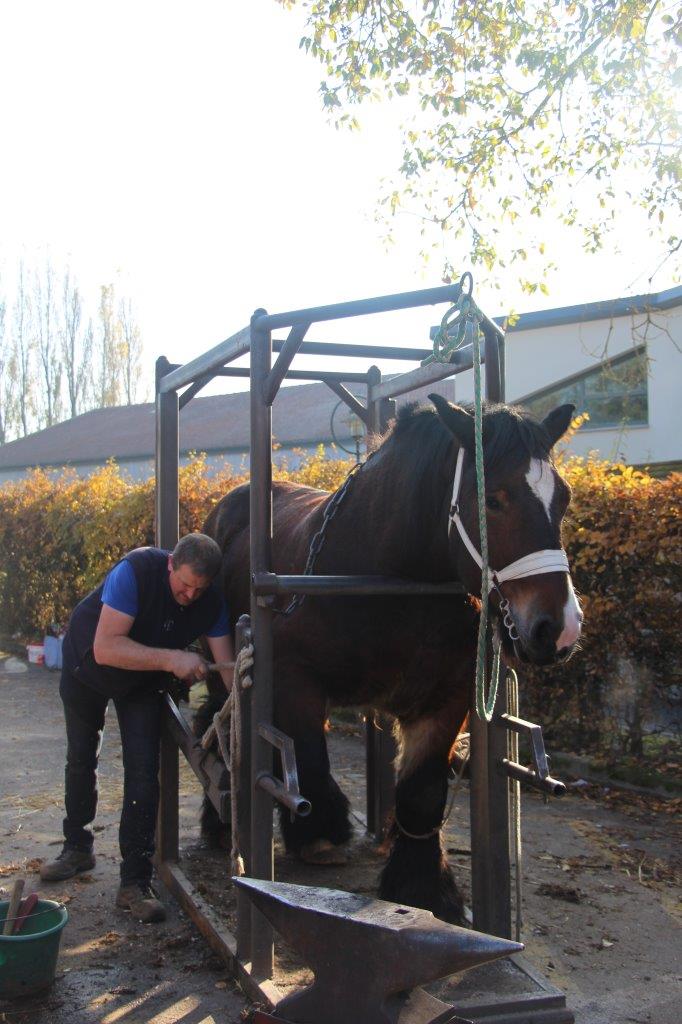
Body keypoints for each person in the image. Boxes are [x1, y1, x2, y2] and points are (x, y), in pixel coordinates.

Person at [40, 533, 233, 923]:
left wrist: (245, 704)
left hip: (142, 684)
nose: (189, 596)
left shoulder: (212, 603)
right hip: (87, 669)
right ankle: (77, 847)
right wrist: (173, 659)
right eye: (184, 584)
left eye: (200, 588)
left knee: (144, 775)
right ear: (170, 566)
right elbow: (107, 648)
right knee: (81, 756)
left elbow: (229, 671)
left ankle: (134, 883)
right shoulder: (136, 571)